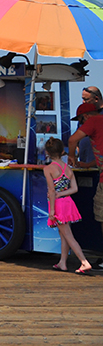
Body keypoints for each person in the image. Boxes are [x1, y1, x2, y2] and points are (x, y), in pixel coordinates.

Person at [43, 137, 92, 273]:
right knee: (63, 233)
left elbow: (52, 191)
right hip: (68, 203)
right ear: (62, 152)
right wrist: (62, 194)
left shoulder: (48, 169)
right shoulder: (67, 168)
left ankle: (84, 262)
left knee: (68, 235)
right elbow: (74, 189)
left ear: (47, 152)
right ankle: (62, 262)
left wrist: (52, 209)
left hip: (58, 205)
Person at [67, 97, 103, 267]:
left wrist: (71, 157)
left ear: (86, 116)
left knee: (101, 216)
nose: (80, 125)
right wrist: (88, 164)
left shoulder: (94, 120)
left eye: (80, 121)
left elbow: (72, 140)